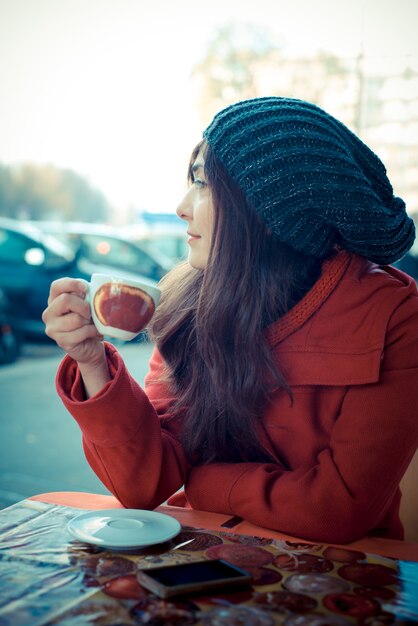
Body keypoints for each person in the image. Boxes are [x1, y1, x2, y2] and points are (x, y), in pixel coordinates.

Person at [43, 97, 418, 544]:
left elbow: (339, 509)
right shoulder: (191, 304)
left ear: (271, 212)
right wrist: (90, 362)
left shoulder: (394, 316)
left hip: (339, 577)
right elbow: (142, 484)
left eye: (203, 185)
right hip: (203, 554)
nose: (182, 207)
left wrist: (206, 483)